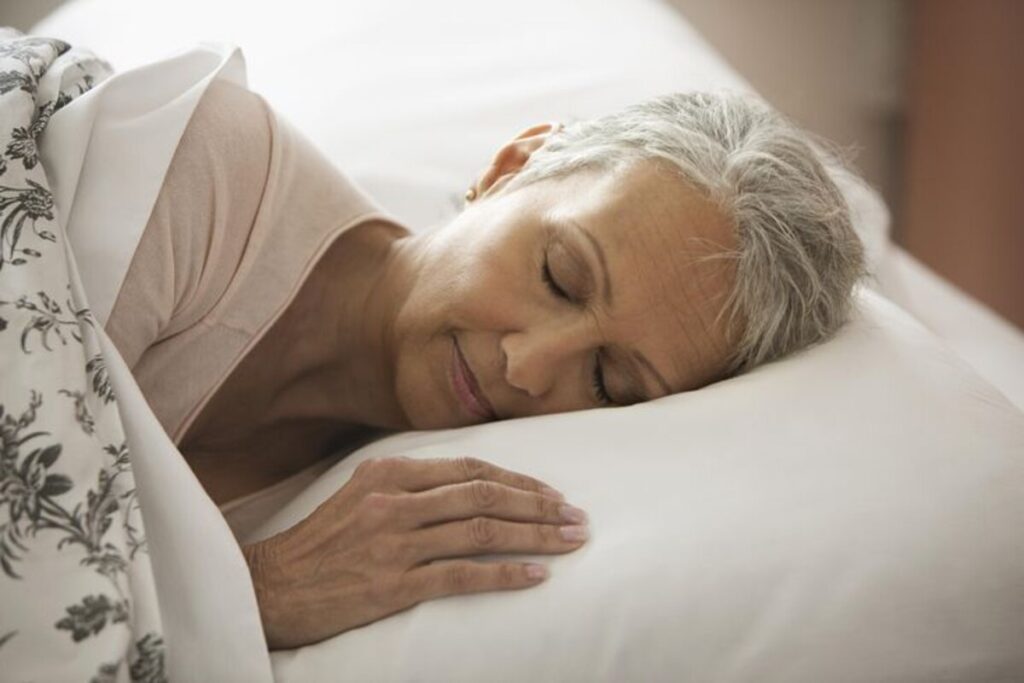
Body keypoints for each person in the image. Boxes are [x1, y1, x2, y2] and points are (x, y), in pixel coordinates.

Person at [104, 79, 864, 648]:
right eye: (559, 276)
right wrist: (254, 591)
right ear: (512, 166)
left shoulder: (389, 498)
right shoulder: (195, 166)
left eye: (610, 384)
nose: (529, 367)